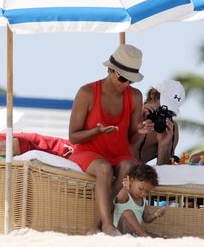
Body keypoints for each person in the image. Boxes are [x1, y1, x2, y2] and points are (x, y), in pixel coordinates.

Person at [67, 44, 153, 236]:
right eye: (123, 78)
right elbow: (73, 136)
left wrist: (140, 131)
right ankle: (106, 225)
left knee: (129, 165)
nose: (126, 84)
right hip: (89, 151)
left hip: (119, 152)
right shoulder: (87, 92)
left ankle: (98, 224)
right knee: (104, 168)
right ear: (110, 69)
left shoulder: (135, 96)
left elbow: (131, 139)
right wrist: (96, 131)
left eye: (131, 80)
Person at [131, 80, 185, 165]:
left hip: (137, 176)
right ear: (153, 93)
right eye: (162, 108)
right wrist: (136, 121)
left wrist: (163, 146)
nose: (164, 115)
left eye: (169, 113)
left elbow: (164, 172)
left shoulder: (171, 128)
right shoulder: (131, 111)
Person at [113, 164, 165, 237]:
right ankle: (144, 237)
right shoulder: (125, 195)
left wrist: (155, 215)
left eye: (147, 192)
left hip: (135, 235)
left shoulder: (143, 201)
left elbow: (146, 219)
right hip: (119, 234)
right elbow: (120, 199)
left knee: (159, 237)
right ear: (131, 180)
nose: (143, 194)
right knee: (128, 213)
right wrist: (125, 188)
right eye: (140, 189)